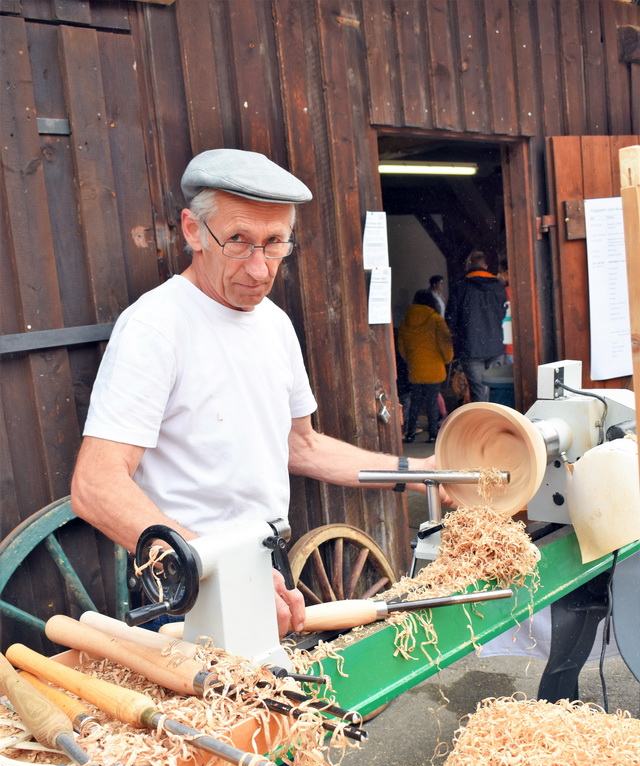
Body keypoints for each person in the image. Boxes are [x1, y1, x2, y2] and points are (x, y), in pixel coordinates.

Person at [71, 148, 443, 637]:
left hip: (267, 567)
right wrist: (221, 570)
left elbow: (301, 445)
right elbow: (95, 486)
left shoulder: (274, 323)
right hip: (190, 583)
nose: (260, 269)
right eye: (239, 242)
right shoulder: (155, 327)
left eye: (274, 244)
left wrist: (423, 472)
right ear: (192, 230)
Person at [445, 250, 507, 403]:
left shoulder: (461, 286)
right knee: (495, 391)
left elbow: (450, 319)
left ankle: (482, 418)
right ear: (485, 266)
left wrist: (462, 333)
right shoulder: (498, 286)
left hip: (471, 347)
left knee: (478, 391)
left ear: (468, 266)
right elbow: (504, 314)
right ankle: (496, 418)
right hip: (495, 345)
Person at [397, 289, 453, 444]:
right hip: (434, 369)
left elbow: (401, 346)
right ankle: (433, 434)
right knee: (432, 402)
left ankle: (410, 433)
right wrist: (447, 360)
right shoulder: (436, 320)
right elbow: (445, 344)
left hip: (415, 369)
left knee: (415, 402)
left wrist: (412, 360)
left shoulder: (405, 321)